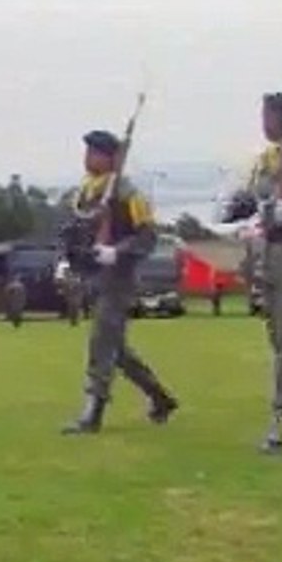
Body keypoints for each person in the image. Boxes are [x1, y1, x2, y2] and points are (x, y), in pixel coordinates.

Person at [61, 129, 179, 435]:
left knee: (102, 341)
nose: (88, 158)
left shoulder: (127, 193)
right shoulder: (87, 191)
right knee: (117, 349)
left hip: (118, 277)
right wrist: (68, 259)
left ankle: (93, 409)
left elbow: (147, 236)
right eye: (87, 152)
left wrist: (118, 251)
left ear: (111, 157)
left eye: (95, 153)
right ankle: (160, 397)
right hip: (93, 275)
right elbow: (77, 230)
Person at [221, 92, 282, 453]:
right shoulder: (269, 160)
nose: (265, 122)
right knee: (279, 337)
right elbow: (255, 202)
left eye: (271, 114)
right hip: (269, 253)